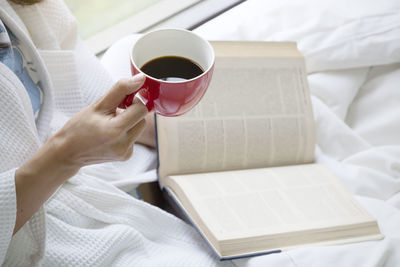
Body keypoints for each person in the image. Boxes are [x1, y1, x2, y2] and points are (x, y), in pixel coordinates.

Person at [0, 0, 225, 266]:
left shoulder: (28, 9)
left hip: (84, 161)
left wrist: (160, 121)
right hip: (37, 214)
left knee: (126, 47)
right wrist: (65, 156)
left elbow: (84, 90)